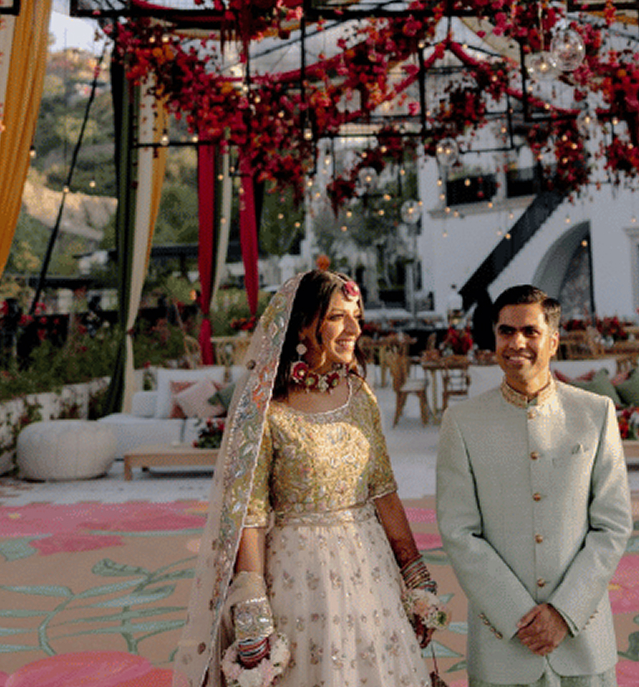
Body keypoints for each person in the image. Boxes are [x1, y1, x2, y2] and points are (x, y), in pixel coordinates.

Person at [174, 269, 443, 687]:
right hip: (299, 578)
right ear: (302, 325)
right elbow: (250, 513)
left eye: (356, 317)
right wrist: (252, 607)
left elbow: (384, 490)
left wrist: (416, 577)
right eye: (337, 317)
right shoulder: (266, 408)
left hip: (371, 572)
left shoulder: (360, 395)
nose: (354, 329)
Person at [435, 284, 632, 687]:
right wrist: (517, 616)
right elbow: (459, 532)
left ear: (553, 341)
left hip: (583, 640)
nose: (517, 343)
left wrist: (563, 613)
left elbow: (612, 525)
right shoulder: (462, 423)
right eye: (506, 331)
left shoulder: (594, 414)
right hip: (502, 644)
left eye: (530, 332)